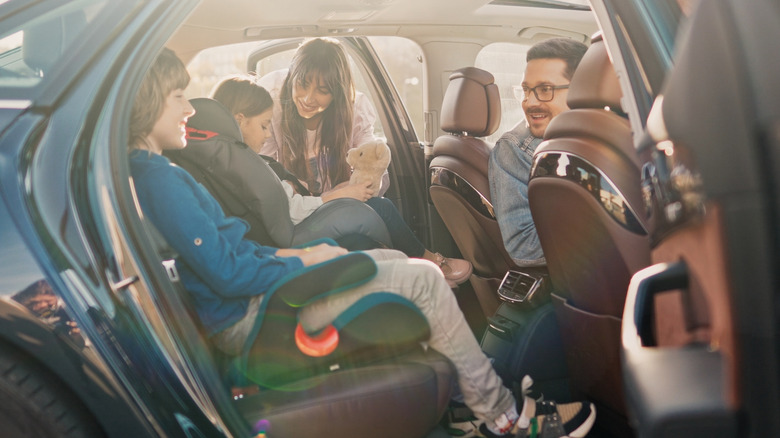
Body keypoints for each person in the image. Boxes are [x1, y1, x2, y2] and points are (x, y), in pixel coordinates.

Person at [127, 48, 595, 438]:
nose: (190, 108)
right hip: (255, 315)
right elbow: (230, 273)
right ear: (148, 102)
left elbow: (232, 257)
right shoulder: (161, 179)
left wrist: (296, 254)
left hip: (258, 296)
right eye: (177, 97)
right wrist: (303, 260)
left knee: (392, 255)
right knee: (425, 279)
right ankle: (505, 418)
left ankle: (466, 397)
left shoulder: (158, 173)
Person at [216, 71, 472, 287]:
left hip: (292, 222)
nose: (265, 135)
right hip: (291, 230)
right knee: (381, 207)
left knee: (363, 239)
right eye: (263, 126)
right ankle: (427, 262)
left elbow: (284, 201)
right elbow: (291, 210)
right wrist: (338, 195)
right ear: (239, 121)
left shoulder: (240, 159)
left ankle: (416, 269)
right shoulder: (245, 163)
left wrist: (325, 192)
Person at [488, 38, 588, 267]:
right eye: (526, 90)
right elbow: (524, 247)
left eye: (545, 90)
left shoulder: (612, 132)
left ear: (581, 89)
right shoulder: (517, 149)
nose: (529, 102)